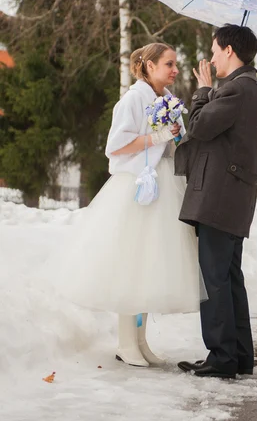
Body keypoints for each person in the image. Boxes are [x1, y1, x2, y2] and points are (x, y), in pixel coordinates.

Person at [55, 43, 203, 367]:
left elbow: (167, 146)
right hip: (136, 190)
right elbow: (116, 146)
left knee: (148, 266)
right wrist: (158, 136)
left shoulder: (164, 101)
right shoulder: (133, 99)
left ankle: (140, 340)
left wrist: (175, 137)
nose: (175, 70)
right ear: (149, 66)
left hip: (161, 188)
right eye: (168, 64)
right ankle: (125, 342)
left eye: (175, 64)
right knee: (132, 265)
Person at [175, 24, 257, 379]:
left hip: (218, 198)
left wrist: (202, 91)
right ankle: (239, 356)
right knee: (229, 279)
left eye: (215, 49)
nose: (211, 57)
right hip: (235, 200)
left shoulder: (236, 91)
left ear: (230, 50)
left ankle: (221, 357)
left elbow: (198, 127)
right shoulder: (253, 93)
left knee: (214, 280)